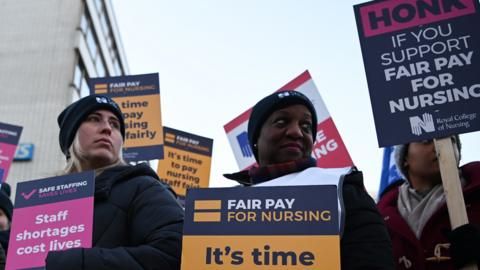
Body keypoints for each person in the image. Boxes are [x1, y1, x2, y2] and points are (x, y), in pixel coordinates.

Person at [224, 90, 394, 269]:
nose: (296, 132)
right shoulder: (226, 204)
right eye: (281, 122)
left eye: (306, 126)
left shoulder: (343, 189)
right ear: (256, 139)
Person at [45, 95, 184, 270]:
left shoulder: (144, 187)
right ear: (71, 134)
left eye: (115, 124)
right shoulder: (43, 199)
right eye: (94, 119)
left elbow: (173, 253)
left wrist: (78, 262)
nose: (107, 129)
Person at [377, 136, 480, 269]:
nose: (439, 146)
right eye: (426, 141)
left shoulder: (476, 195)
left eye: (451, 140)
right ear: (405, 158)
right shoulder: (380, 216)